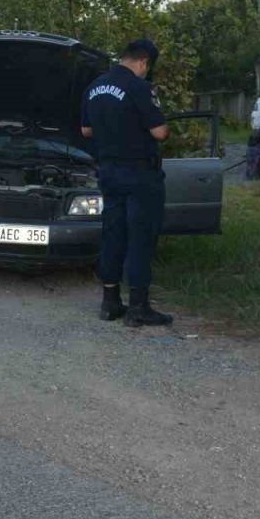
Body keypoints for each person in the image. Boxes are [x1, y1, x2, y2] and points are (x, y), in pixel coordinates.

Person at [81, 38, 174, 327]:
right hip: (139, 175)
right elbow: (159, 133)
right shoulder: (139, 87)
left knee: (113, 234)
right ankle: (138, 306)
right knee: (140, 237)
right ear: (144, 61)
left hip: (108, 172)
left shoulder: (94, 87)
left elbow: (85, 130)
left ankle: (109, 302)